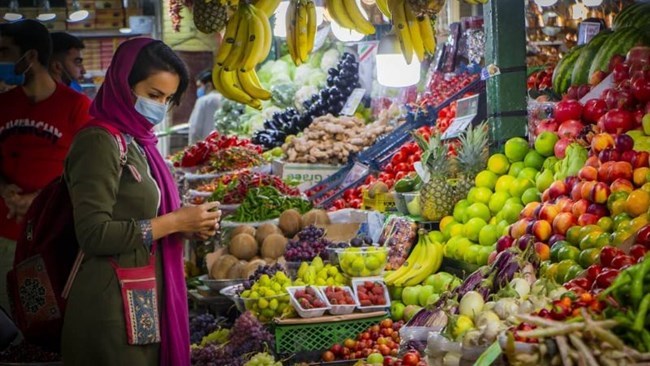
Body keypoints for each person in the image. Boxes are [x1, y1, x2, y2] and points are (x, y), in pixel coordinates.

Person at [62, 37, 221, 366]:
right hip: (111, 306)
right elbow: (93, 234)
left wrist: (185, 226)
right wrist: (174, 222)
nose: (160, 107)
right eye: (152, 95)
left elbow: (142, 214)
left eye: (167, 99)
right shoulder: (99, 141)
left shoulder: (139, 142)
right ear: (123, 84)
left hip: (143, 297)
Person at [0, 20, 91, 313]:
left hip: (53, 237)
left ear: (31, 57)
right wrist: (5, 190)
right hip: (4, 235)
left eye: (5, 52)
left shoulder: (77, 107)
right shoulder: (2, 105)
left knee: (49, 324)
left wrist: (37, 200)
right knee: (10, 327)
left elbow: (88, 171)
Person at [188, 69, 221, 144]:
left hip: (206, 148)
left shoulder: (203, 101)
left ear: (209, 85)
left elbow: (195, 129)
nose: (198, 90)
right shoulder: (227, 99)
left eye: (200, 86)